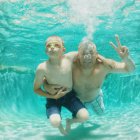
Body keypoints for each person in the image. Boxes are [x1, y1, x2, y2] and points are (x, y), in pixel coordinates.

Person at [43, 35, 135, 133]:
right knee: (82, 117)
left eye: (91, 53)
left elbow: (129, 69)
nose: (88, 56)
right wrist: (47, 85)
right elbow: (48, 73)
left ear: (97, 54)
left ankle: (98, 96)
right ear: (78, 55)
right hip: (77, 100)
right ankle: (70, 121)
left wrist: (126, 58)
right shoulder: (70, 63)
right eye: (83, 53)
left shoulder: (104, 66)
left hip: (95, 98)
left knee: (101, 114)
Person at [33, 36, 89, 135]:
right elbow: (36, 89)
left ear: (63, 49)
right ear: (45, 50)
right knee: (55, 122)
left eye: (56, 45)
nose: (52, 47)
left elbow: (87, 54)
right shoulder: (42, 68)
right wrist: (52, 96)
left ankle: (70, 122)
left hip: (69, 96)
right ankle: (59, 125)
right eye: (48, 45)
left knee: (84, 117)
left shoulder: (70, 57)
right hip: (53, 98)